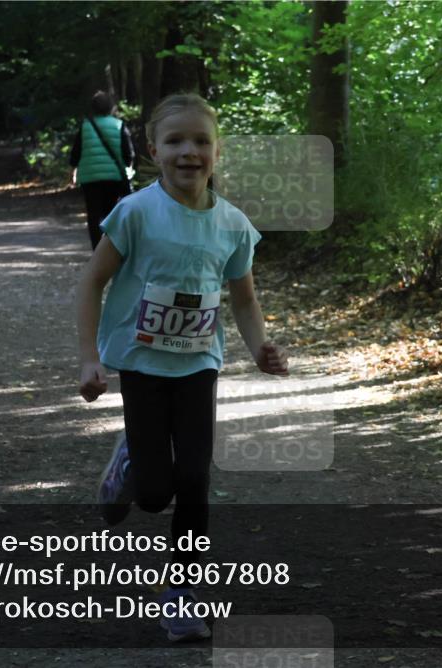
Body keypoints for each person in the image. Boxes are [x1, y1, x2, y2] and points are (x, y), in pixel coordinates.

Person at [76, 94, 289, 642]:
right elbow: (92, 282)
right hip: (142, 364)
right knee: (153, 494)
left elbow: (244, 299)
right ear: (153, 151)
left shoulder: (233, 225)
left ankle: (182, 593)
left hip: (198, 365)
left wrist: (260, 348)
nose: (188, 151)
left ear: (218, 151)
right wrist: (89, 358)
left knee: (194, 479)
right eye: (174, 141)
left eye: (200, 141)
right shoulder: (135, 213)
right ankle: (129, 463)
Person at [69, 90, 134, 250]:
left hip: (90, 178)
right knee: (111, 213)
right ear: (111, 107)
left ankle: (97, 251)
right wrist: (128, 166)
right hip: (113, 177)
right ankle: (111, 249)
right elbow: (128, 154)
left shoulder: (85, 126)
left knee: (93, 215)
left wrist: (74, 167)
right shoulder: (119, 125)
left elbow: (76, 153)